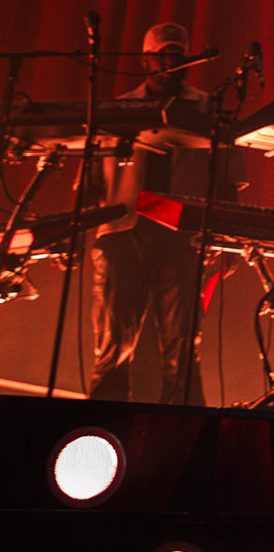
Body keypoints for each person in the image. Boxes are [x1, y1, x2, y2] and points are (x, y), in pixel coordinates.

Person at [88, 22, 219, 403]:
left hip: (182, 230)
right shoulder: (119, 108)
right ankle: (104, 423)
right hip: (124, 227)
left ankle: (183, 428)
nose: (171, 62)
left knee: (183, 345)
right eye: (162, 55)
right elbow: (92, 180)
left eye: (178, 54)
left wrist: (222, 239)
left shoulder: (207, 108)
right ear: (145, 60)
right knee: (113, 343)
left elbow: (226, 178)